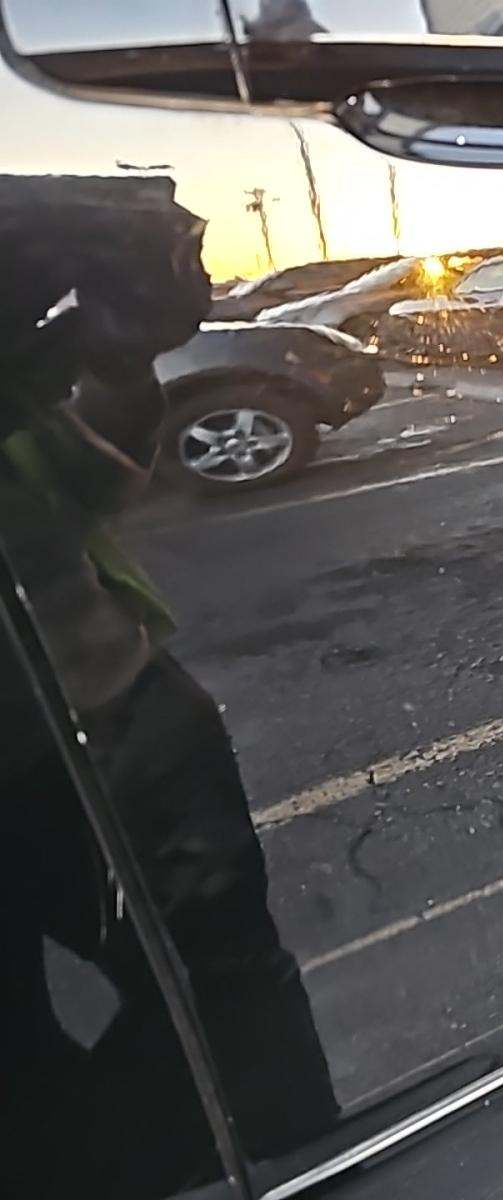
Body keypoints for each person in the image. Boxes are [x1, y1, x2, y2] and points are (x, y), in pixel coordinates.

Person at [0, 175, 337, 1198]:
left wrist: (117, 359)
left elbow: (91, 484)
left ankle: (296, 1168)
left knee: (227, 988)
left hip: (124, 716)